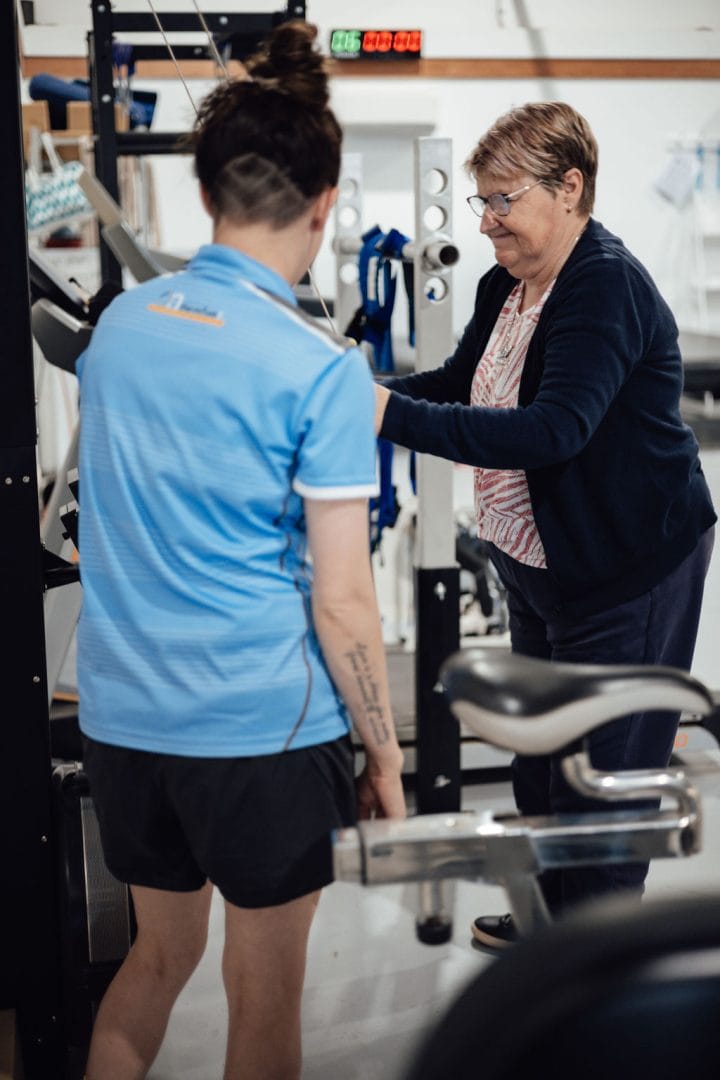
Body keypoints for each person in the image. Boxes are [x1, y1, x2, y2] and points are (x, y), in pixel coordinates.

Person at [76, 22, 406, 1080]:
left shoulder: (119, 329)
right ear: (323, 206)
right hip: (259, 736)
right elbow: (346, 603)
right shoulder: (322, 372)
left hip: (126, 725)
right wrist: (385, 750)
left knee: (155, 965)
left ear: (211, 196)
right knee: (264, 1009)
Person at [375, 101, 715, 950]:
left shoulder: (603, 285)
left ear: (570, 189)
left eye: (501, 201)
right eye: (480, 202)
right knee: (537, 768)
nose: (486, 222)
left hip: (625, 571)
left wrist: (382, 415)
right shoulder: (509, 281)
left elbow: (552, 430)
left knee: (603, 783)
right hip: (538, 572)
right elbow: (456, 381)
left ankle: (591, 979)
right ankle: (555, 936)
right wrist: (359, 391)